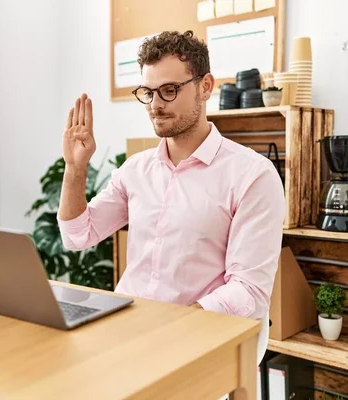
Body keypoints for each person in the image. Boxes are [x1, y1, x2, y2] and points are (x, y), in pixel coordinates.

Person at [57, 30, 285, 319]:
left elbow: (247, 291)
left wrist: (173, 327)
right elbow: (77, 236)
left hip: (196, 335)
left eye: (169, 90)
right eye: (148, 92)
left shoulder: (252, 175)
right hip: (127, 328)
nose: (155, 105)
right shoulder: (135, 170)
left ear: (205, 87)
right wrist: (75, 169)